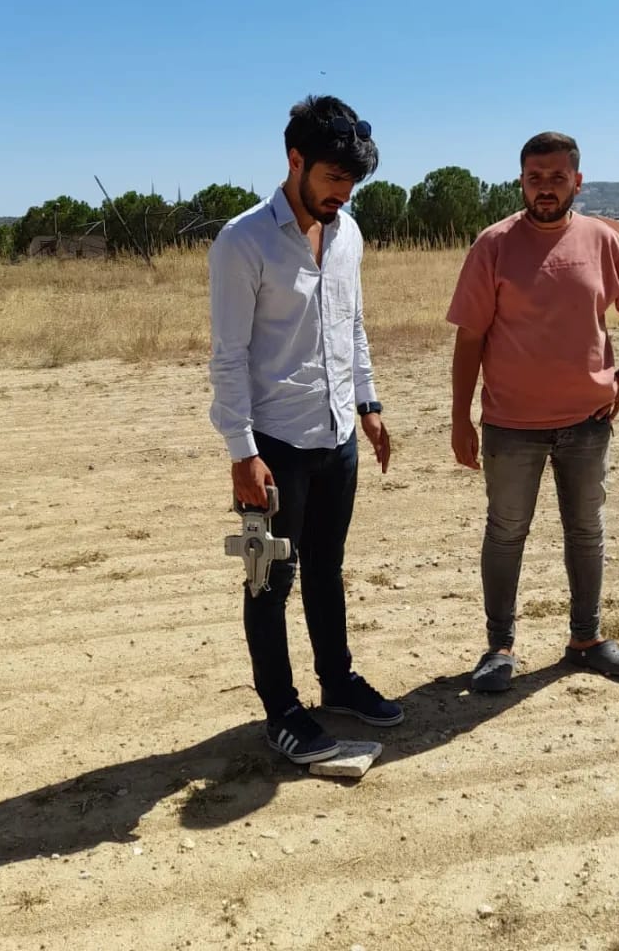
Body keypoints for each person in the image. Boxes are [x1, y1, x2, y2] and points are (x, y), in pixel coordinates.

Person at [208, 94, 402, 764]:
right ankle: (282, 712)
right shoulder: (243, 241)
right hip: (276, 445)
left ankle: (337, 680)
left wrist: (368, 404)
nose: (342, 194)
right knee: (269, 579)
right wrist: (242, 452)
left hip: (337, 435)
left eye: (352, 182)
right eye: (332, 177)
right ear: (295, 160)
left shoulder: (348, 234)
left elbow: (352, 324)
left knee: (328, 567)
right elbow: (228, 356)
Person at [446, 131, 619, 693]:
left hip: (587, 422)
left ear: (577, 182)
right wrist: (460, 418)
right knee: (505, 532)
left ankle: (586, 640)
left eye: (557, 178)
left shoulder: (602, 240)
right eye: (535, 178)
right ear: (521, 181)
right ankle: (499, 647)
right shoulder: (493, 245)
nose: (545, 188)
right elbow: (470, 338)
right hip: (511, 425)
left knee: (586, 531)